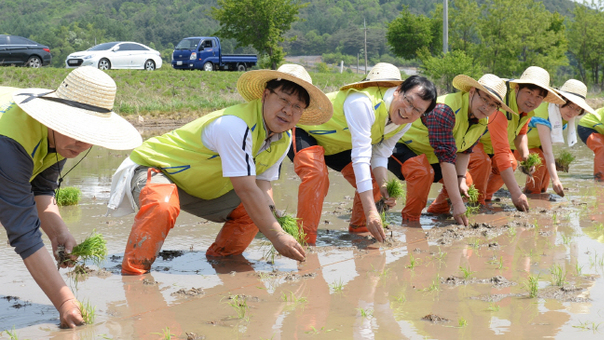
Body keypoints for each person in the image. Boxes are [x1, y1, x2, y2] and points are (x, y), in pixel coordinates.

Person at [108, 64, 333, 274]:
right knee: (162, 203)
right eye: (283, 99)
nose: (288, 111)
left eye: (297, 106)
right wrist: (276, 235)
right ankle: (134, 275)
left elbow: (262, 185)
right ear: (265, 95)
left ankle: (224, 261)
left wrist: (273, 216)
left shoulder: (282, 139)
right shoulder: (235, 125)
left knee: (255, 210)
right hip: (158, 169)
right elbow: (246, 189)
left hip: (200, 187)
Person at [0, 67, 142, 328]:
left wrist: (58, 232)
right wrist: (65, 301)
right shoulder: (9, 147)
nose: (79, 142)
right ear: (55, 117)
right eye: (74, 129)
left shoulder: (60, 137)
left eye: (89, 135)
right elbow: (23, 232)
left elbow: (41, 188)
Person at [287, 63, 436, 244]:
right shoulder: (362, 102)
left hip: (339, 145)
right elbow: (361, 156)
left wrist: (382, 184)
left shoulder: (405, 121)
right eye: (409, 102)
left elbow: (381, 153)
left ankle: (361, 232)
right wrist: (371, 210)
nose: (409, 111)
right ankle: (304, 240)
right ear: (398, 90)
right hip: (306, 132)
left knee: (372, 182)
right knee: (316, 175)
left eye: (418, 110)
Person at [389, 74, 516, 226]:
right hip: (401, 146)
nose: (486, 107)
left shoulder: (483, 120)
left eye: (493, 105)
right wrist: (457, 203)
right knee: (422, 172)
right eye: (484, 99)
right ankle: (411, 221)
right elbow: (446, 160)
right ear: (472, 92)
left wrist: (461, 179)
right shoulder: (444, 110)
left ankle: (438, 211)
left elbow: (464, 150)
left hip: (431, 155)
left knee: (466, 180)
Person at [467, 66, 565, 210]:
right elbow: (501, 153)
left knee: (512, 163)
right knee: (484, 161)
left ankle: (482, 197)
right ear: (517, 89)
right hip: (473, 142)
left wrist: (525, 155)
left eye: (538, 96)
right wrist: (515, 192)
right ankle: (474, 202)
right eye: (529, 93)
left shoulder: (525, 110)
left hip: (491, 146)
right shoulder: (501, 107)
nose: (532, 100)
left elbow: (521, 134)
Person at [520, 79, 595, 196]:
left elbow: (545, 147)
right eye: (570, 106)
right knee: (540, 157)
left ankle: (541, 193)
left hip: (533, 146)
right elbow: (547, 152)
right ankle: (532, 193)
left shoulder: (562, 115)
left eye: (577, 109)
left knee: (545, 161)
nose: (572, 113)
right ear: (560, 100)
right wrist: (556, 180)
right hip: (517, 146)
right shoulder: (544, 113)